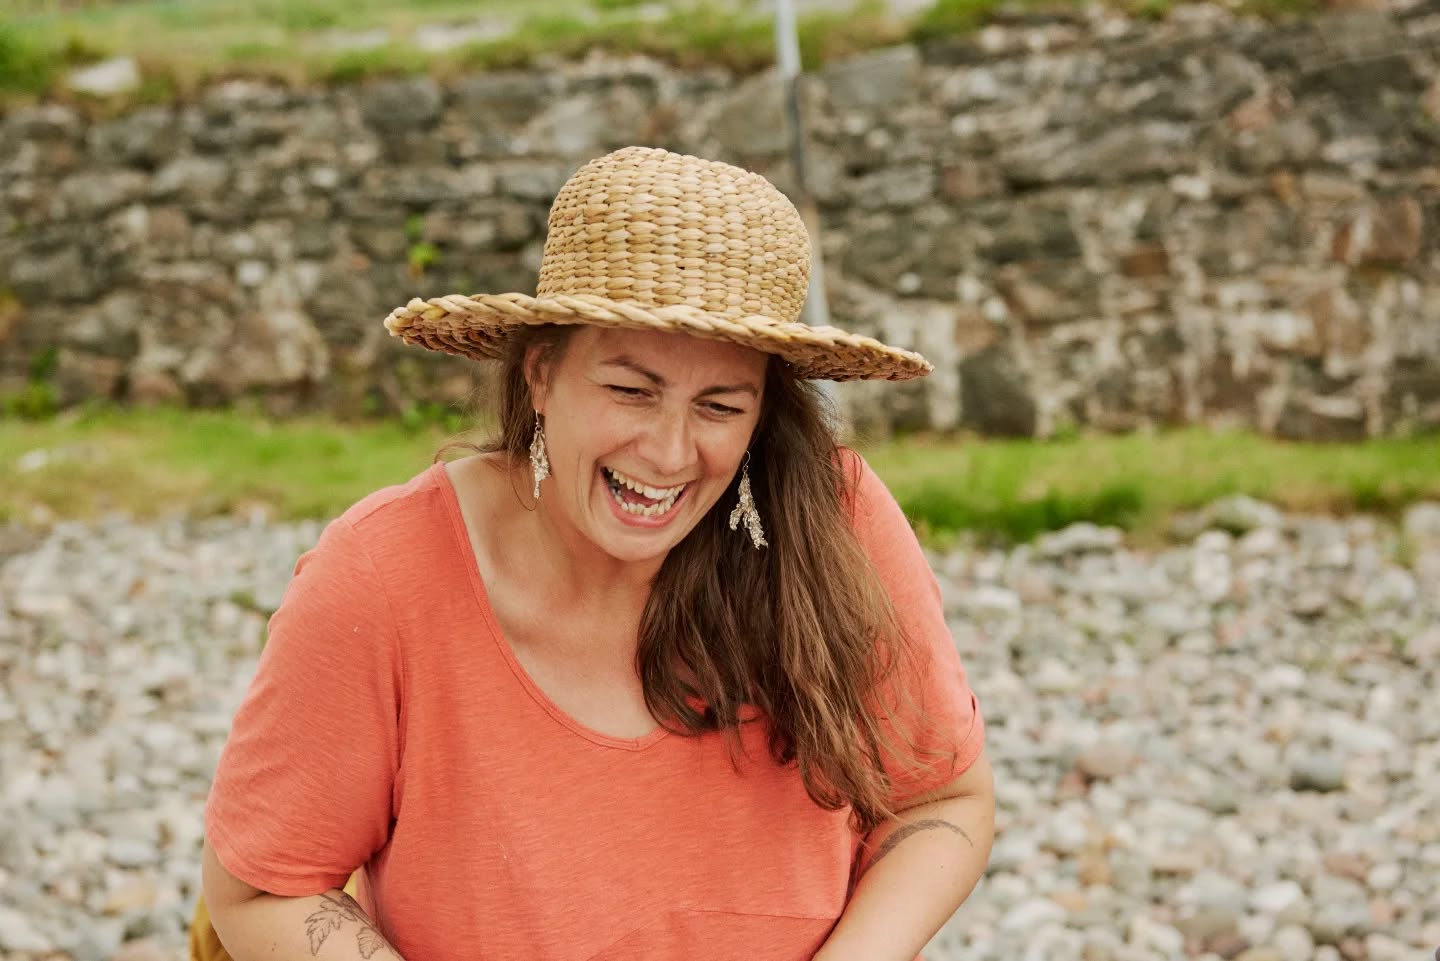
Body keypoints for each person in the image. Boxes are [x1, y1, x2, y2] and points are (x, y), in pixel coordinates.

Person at [194, 145, 993, 961]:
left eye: (719, 405)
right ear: (541, 373)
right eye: (630, 389)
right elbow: (264, 884)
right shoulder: (381, 574)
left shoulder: (837, 519)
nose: (670, 450)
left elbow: (943, 796)